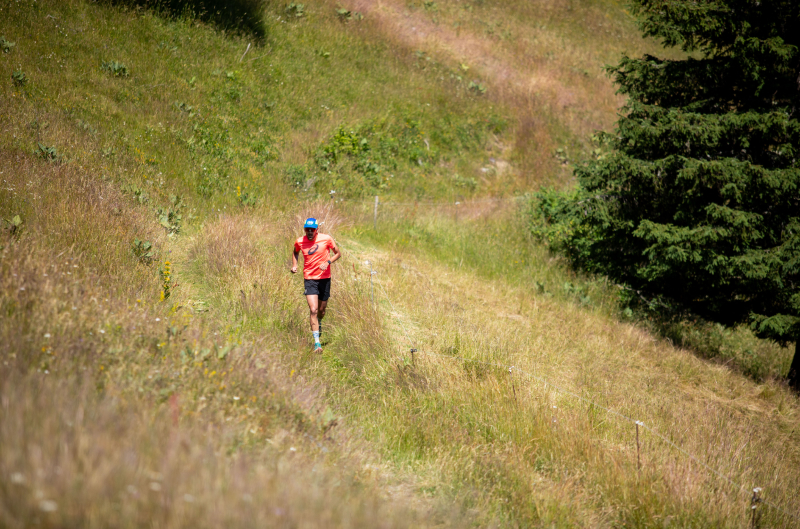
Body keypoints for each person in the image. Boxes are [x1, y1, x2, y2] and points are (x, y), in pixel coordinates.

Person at [291, 218, 341, 353]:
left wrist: (328, 262)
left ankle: (319, 321)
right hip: (310, 279)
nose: (309, 232)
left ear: (317, 230)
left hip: (324, 278)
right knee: (313, 310)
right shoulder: (300, 241)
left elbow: (338, 253)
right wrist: (295, 265)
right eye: (307, 229)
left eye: (312, 230)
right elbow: (295, 251)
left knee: (321, 310)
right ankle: (317, 343)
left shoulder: (326, 239)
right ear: (304, 230)